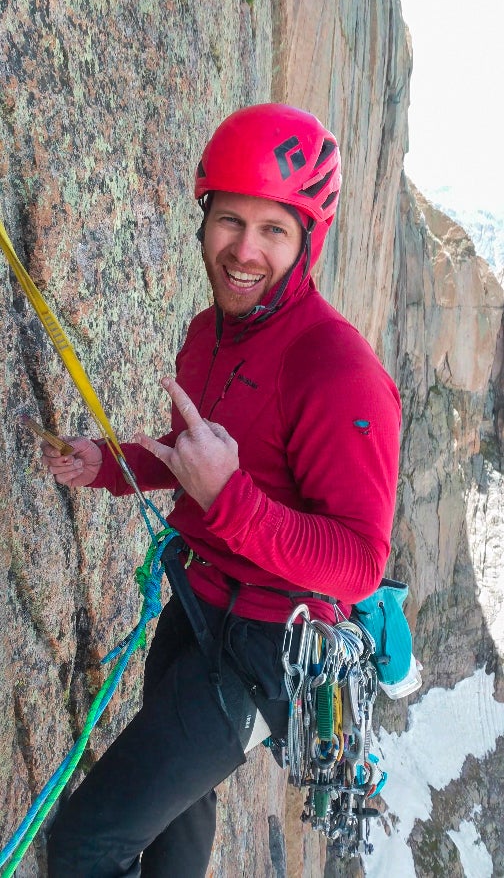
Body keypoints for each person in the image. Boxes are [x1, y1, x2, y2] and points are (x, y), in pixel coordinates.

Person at [42, 103, 401, 877]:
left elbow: (360, 560)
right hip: (196, 609)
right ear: (203, 220)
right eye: (229, 220)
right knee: (176, 827)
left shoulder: (338, 372)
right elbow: (190, 458)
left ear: (307, 240)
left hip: (263, 652)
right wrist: (104, 464)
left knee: (84, 842)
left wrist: (233, 499)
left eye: (273, 229)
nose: (244, 250)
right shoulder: (210, 332)